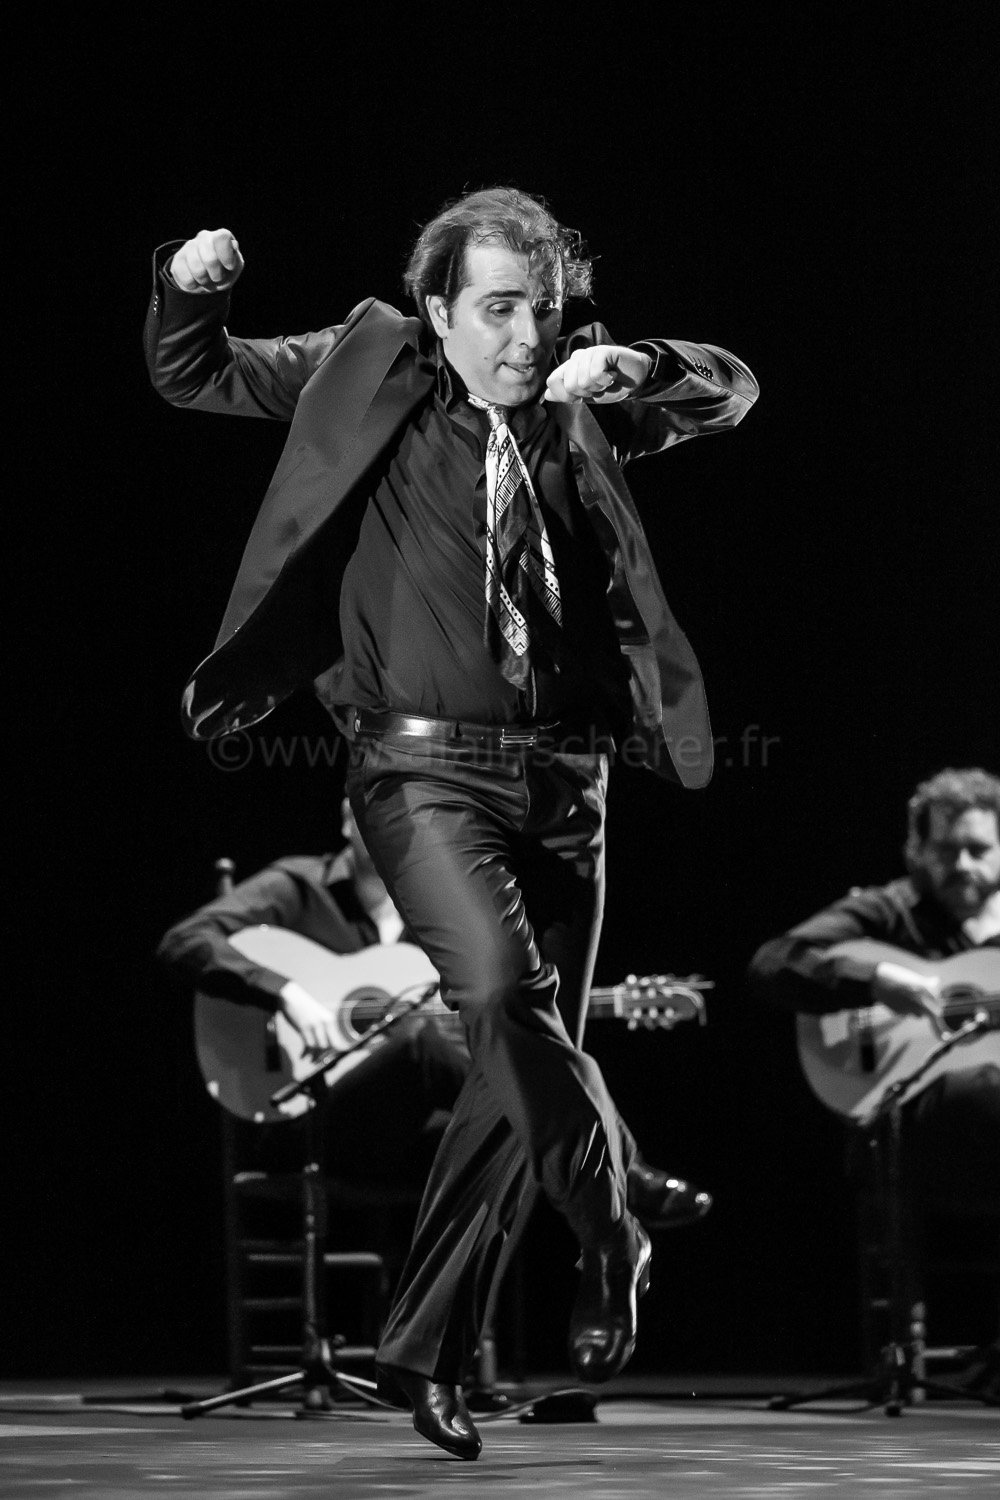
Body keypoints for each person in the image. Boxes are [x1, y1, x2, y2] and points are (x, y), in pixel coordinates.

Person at [147, 187, 758, 1458]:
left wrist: (640, 364)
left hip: (569, 782)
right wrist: (193, 290)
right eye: (499, 308)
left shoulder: (581, 394)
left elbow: (732, 389)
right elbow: (194, 373)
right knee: (495, 992)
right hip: (417, 773)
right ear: (438, 308)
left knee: (508, 1065)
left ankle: (421, 1353)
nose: (527, 337)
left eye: (544, 309)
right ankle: (613, 1216)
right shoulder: (365, 362)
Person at [158, 796, 713, 1214]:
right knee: (426, 1045)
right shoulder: (298, 885)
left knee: (496, 1095)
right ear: (348, 821)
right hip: (301, 1120)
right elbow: (184, 942)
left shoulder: (438, 915)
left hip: (407, 1133)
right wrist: (287, 992)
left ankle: (590, 1215)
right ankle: (615, 1171)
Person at [748, 768, 1000, 1344]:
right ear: (916, 849)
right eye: (946, 849)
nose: (963, 864)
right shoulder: (891, 911)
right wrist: (873, 979)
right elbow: (773, 962)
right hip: (908, 1131)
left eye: (979, 849)